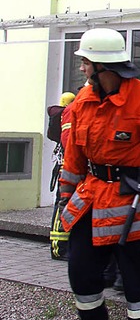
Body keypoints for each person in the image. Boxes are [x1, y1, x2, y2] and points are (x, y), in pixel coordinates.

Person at [59, 28, 140, 320]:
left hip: (133, 203)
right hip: (91, 197)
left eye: (86, 62)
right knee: (81, 273)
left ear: (104, 66)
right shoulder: (83, 100)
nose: (82, 68)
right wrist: (66, 195)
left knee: (137, 285)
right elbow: (74, 157)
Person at [47, 91, 76, 261]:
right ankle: (58, 247)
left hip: (66, 167)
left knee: (63, 205)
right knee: (61, 206)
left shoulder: (67, 114)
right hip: (66, 168)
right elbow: (68, 143)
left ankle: (61, 246)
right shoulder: (69, 114)